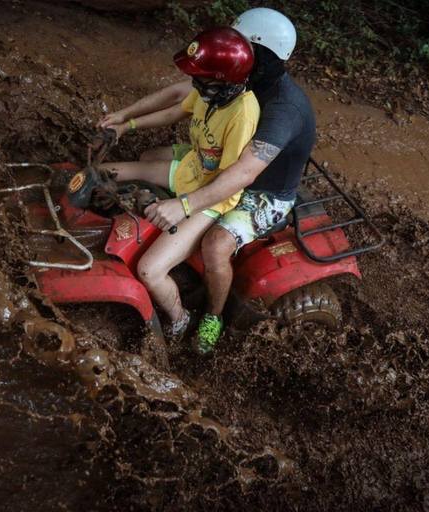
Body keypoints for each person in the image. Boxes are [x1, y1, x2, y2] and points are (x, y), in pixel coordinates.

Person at [98, 8, 316, 355]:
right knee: (149, 158)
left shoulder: (282, 108)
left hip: (262, 191)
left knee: (215, 245)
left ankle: (213, 316)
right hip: (214, 159)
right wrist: (125, 118)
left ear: (261, 53)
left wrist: (182, 205)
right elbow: (178, 96)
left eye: (242, 43)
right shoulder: (236, 74)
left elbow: (243, 174)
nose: (234, 47)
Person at [97, 27, 259, 344]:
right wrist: (125, 124)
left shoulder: (242, 115)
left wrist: (181, 206)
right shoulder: (210, 92)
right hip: (191, 171)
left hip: (210, 200)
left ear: (226, 80)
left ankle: (179, 319)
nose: (194, 86)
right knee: (104, 171)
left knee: (149, 271)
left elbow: (229, 181)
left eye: (202, 81)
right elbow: (175, 109)